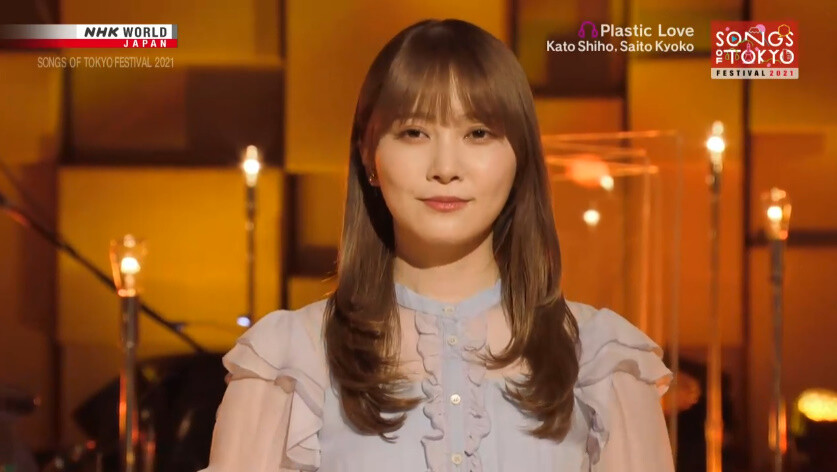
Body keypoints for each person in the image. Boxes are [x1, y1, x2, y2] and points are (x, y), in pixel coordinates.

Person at [199, 18, 675, 472]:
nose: (446, 168)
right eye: (414, 132)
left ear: (520, 157)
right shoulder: (291, 362)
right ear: (368, 155)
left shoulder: (601, 359)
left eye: (478, 133)